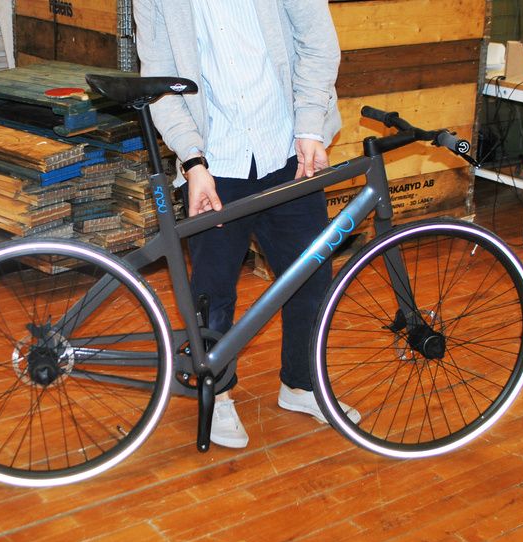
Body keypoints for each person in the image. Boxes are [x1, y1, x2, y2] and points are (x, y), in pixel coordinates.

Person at [133, 0, 360, 448]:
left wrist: (310, 126)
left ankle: (302, 385)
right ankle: (217, 392)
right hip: (214, 162)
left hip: (288, 149)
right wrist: (193, 161)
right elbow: (158, 80)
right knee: (212, 290)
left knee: (311, 277)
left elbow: (317, 43)